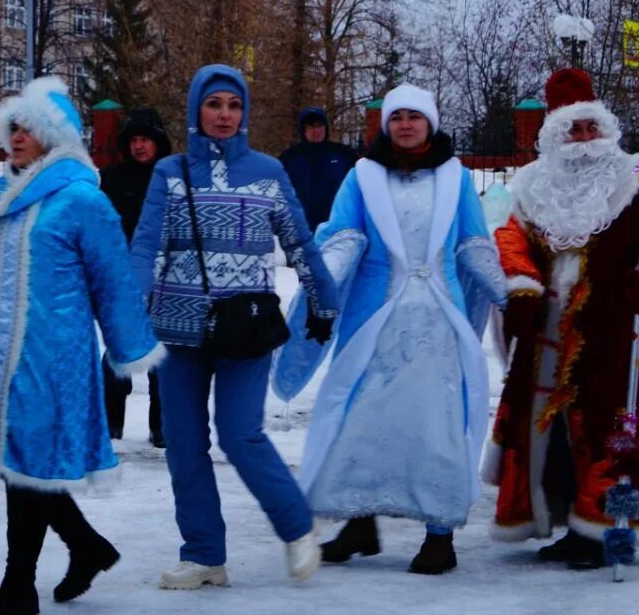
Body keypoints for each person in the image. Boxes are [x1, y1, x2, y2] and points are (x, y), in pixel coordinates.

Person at [0, 76, 163, 614]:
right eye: (12, 126)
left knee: (30, 462)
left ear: (55, 136)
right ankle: (87, 547)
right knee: (19, 460)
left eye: (30, 127)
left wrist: (129, 348)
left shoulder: (82, 199)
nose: (17, 136)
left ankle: (19, 585)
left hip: (54, 357)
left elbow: (113, 279)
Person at [129, 64, 339, 590]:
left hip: (245, 328)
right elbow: (148, 247)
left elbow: (299, 241)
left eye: (233, 105)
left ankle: (298, 527)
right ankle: (203, 554)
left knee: (240, 433)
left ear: (243, 113)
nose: (224, 115)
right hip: (178, 330)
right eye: (214, 104)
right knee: (183, 442)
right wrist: (128, 311)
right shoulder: (170, 174)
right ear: (196, 110)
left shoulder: (267, 171)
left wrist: (323, 300)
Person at [483, 68, 639, 569]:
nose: (583, 139)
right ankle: (559, 514)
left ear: (605, 129)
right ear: (554, 136)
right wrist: (522, 286)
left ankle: (599, 527)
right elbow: (509, 241)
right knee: (548, 429)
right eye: (572, 130)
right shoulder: (532, 187)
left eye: (590, 128)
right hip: (548, 330)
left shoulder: (637, 183)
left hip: (613, 331)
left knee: (607, 427)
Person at [295, 84, 507, 575]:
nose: (405, 125)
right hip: (375, 318)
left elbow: (474, 244)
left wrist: (507, 295)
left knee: (436, 424)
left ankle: (440, 535)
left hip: (437, 322)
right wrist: (322, 283)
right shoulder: (362, 177)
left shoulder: (455, 179)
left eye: (415, 117)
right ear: (386, 125)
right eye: (397, 118)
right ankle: (359, 522)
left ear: (430, 123)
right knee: (361, 420)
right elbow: (345, 235)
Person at [98, 107, 172, 447]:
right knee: (119, 351)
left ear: (158, 143)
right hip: (123, 276)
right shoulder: (111, 178)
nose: (140, 146)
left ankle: (162, 426)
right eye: (134, 140)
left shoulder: (172, 179)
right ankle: (110, 423)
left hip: (166, 277)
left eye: (146, 140)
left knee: (164, 355)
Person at [278, 106, 356, 232]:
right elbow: (280, 193)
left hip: (339, 227)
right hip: (302, 229)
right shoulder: (289, 158)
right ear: (303, 130)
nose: (316, 130)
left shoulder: (344, 154)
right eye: (311, 126)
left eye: (319, 125)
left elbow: (357, 187)